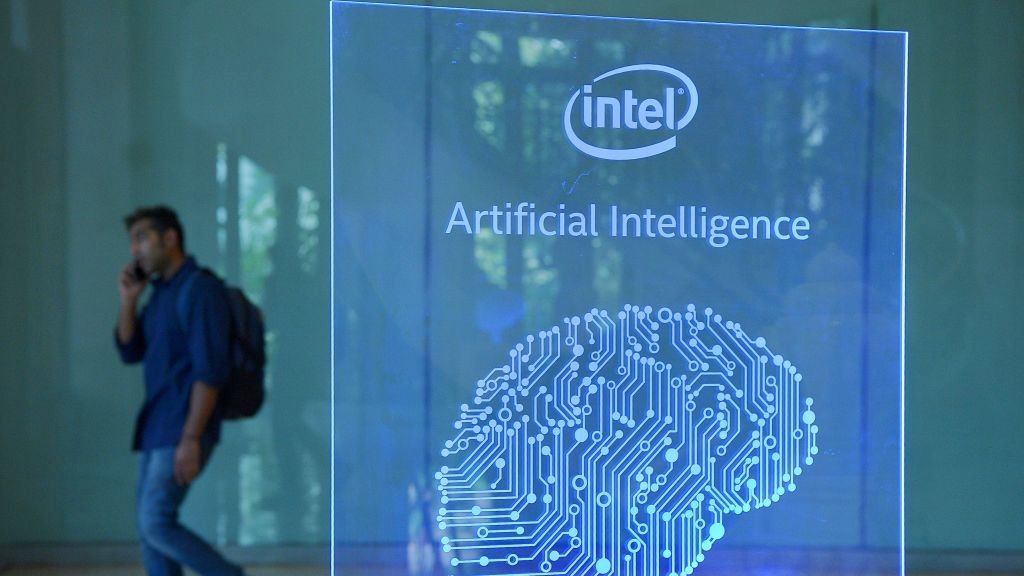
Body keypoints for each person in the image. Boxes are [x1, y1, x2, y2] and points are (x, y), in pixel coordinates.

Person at [115, 206, 245, 576]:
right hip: (156, 425)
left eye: (142, 238)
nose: (135, 250)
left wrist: (191, 438)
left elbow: (210, 372)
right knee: (148, 530)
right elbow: (129, 350)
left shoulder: (200, 290)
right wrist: (128, 300)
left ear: (169, 238)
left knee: (155, 521)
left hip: (183, 425)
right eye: (132, 242)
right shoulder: (159, 295)